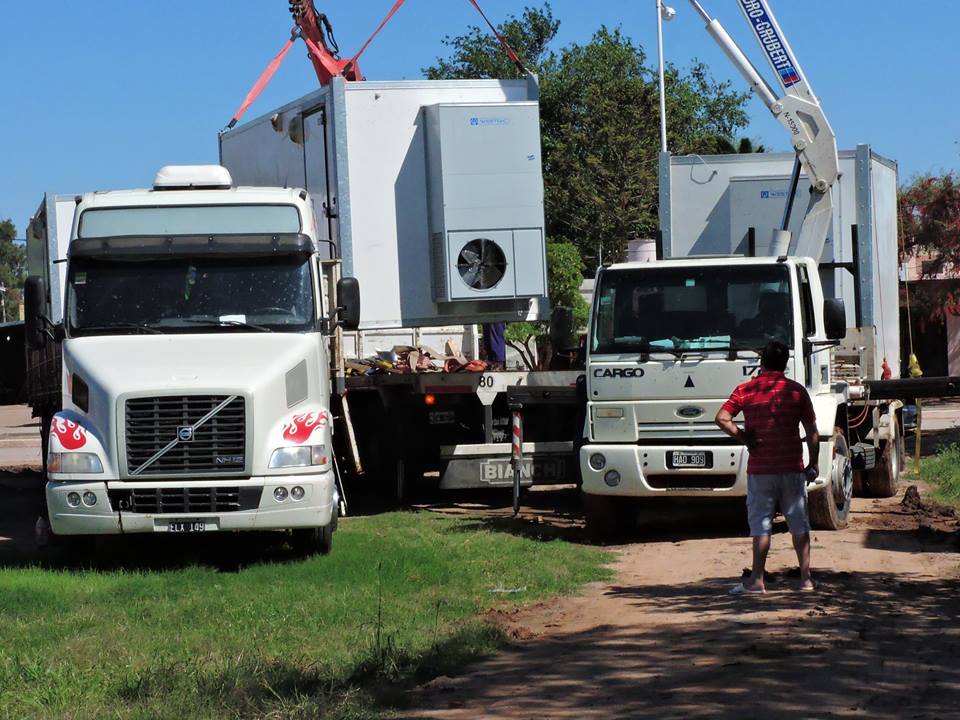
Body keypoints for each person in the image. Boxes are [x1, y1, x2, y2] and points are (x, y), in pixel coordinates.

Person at [715, 340, 819, 594]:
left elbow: (722, 418)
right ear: (784, 363)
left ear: (762, 362)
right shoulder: (796, 392)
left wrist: (744, 437)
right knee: (799, 523)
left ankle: (757, 580)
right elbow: (812, 432)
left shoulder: (746, 389)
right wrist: (813, 463)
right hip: (792, 467)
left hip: (761, 469)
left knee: (761, 524)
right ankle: (806, 580)